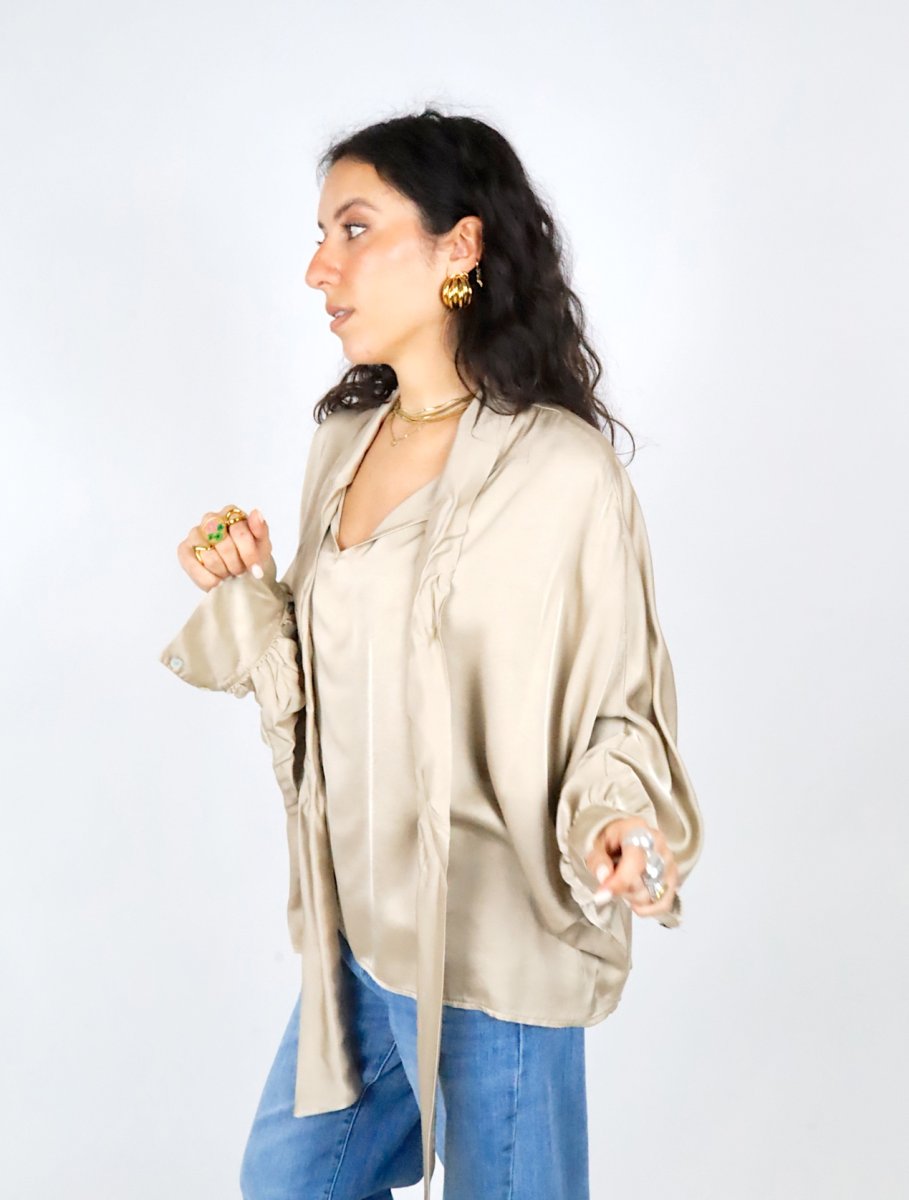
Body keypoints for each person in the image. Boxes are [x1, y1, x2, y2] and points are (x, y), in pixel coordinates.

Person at [161, 107, 704, 1200]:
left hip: (492, 953)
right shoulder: (342, 445)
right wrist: (248, 590)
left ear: (459, 247)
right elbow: (332, 695)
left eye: (355, 229)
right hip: (361, 947)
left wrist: (617, 822)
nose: (321, 268)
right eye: (321, 236)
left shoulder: (562, 473)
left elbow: (614, 703)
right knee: (288, 1183)